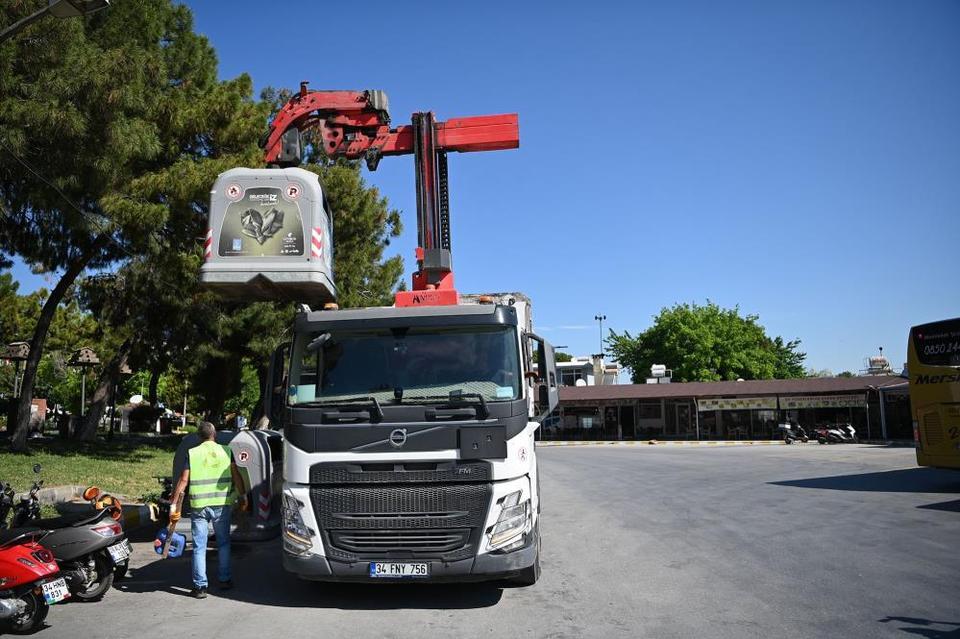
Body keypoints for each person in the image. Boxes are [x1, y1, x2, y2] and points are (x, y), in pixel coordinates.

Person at [169, 422, 248, 598]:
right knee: (224, 543)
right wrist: (243, 496)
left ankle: (200, 587)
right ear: (215, 435)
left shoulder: (193, 453)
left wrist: (174, 502)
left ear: (199, 436)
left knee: (199, 546)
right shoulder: (226, 451)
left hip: (199, 506)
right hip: (221, 504)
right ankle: (225, 579)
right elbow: (236, 475)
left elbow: (183, 480)